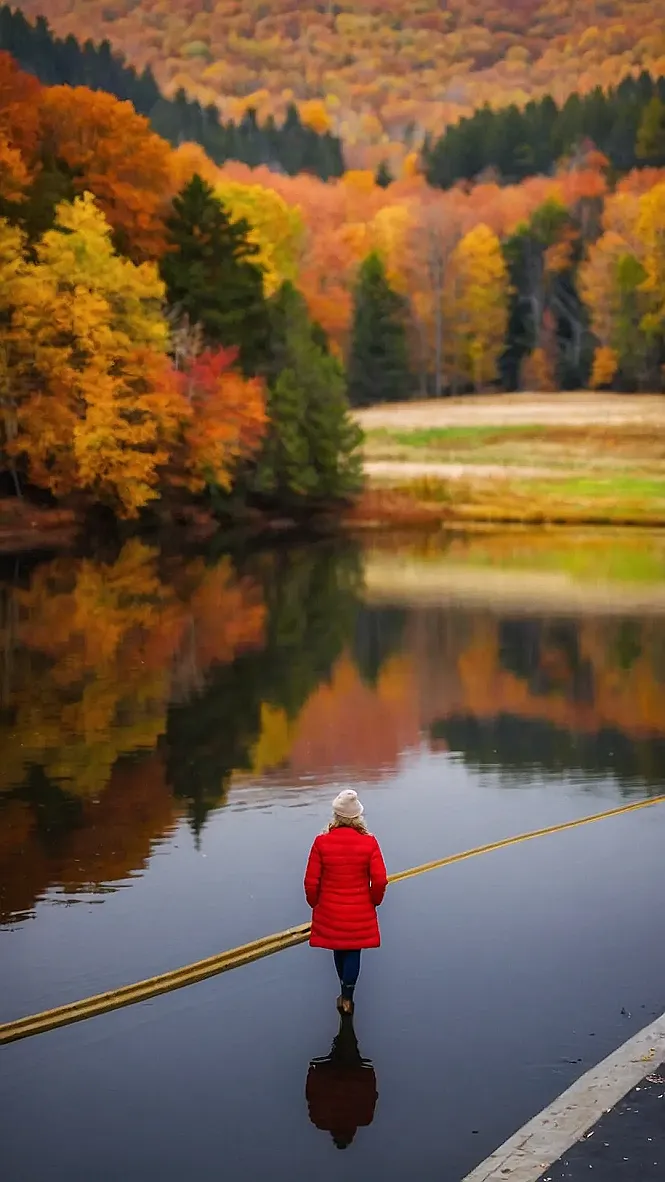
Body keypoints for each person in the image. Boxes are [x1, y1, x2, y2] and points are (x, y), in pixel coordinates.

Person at [304, 788, 387, 1014]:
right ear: (358, 816)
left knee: (339, 947)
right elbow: (379, 881)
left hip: (330, 910)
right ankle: (348, 996)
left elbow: (311, 882)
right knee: (353, 950)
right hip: (360, 910)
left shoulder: (321, 842)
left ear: (336, 815)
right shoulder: (369, 843)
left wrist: (315, 903)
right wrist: (374, 901)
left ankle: (344, 993)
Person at [305, 1012, 378, 1150]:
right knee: (347, 1041)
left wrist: (368, 1073)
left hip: (347, 1072)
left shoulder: (362, 1119)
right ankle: (346, 1016)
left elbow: (371, 1095)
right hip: (342, 1072)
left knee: (347, 1041)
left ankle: (346, 1016)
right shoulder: (321, 1120)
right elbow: (312, 1095)